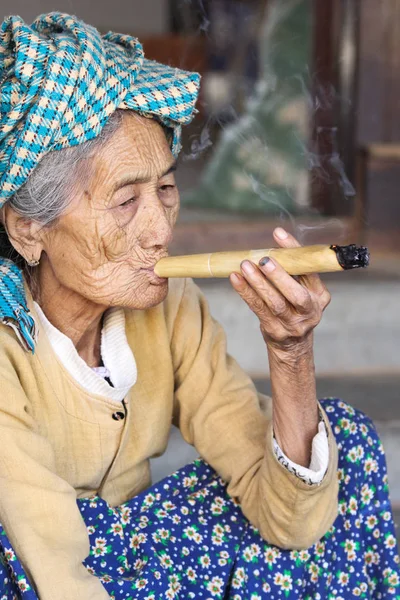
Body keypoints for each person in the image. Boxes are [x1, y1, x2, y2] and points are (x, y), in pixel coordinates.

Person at [0, 12, 398, 600]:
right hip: (41, 574)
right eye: (125, 200)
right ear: (29, 229)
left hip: (135, 561)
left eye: (165, 188)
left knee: (345, 447)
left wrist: (291, 356)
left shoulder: (170, 309)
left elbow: (290, 520)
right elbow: (53, 563)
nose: (161, 229)